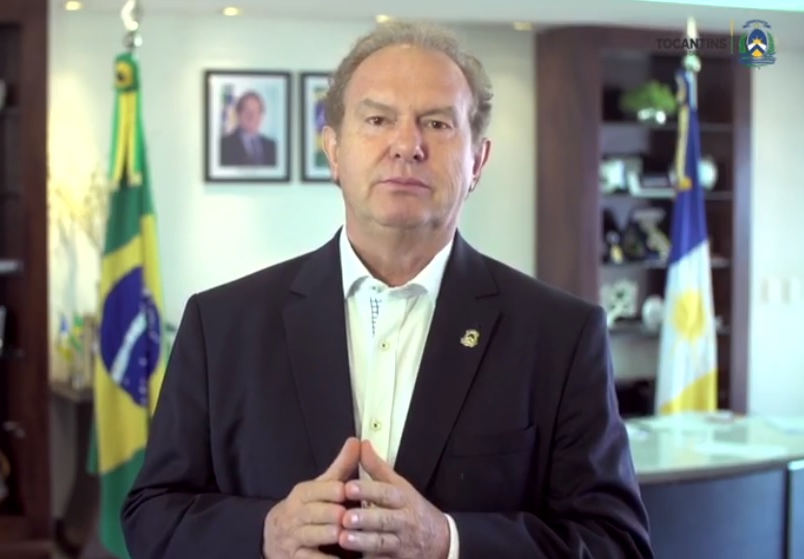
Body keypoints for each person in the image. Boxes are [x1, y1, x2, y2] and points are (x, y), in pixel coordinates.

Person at [122, 20, 653, 559]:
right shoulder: (221, 325)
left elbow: (616, 543)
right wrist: (266, 533)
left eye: (437, 123)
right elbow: (151, 517)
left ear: (477, 162)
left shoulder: (561, 337)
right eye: (378, 120)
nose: (406, 145)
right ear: (334, 151)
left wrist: (449, 542)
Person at [219, 90, 278, 166]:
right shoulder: (224, 145)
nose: (251, 116)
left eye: (256, 111)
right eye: (247, 111)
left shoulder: (272, 146)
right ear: (238, 113)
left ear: (261, 116)